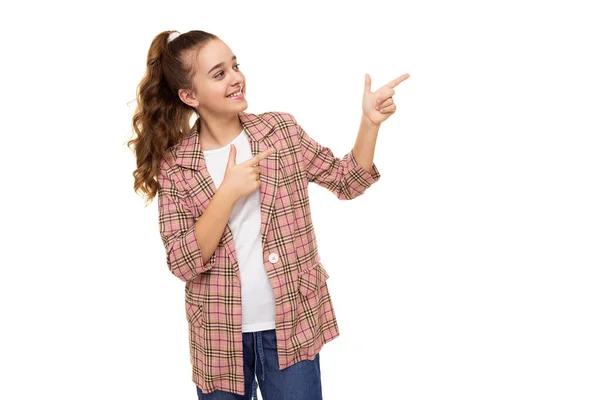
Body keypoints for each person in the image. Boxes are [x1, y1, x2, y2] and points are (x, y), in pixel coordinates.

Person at [129, 29, 409, 400]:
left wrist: (369, 122)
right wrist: (226, 194)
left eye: (235, 66)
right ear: (189, 95)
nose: (236, 77)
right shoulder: (177, 166)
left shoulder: (281, 132)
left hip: (292, 325)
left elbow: (347, 181)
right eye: (219, 73)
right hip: (218, 339)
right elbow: (183, 263)